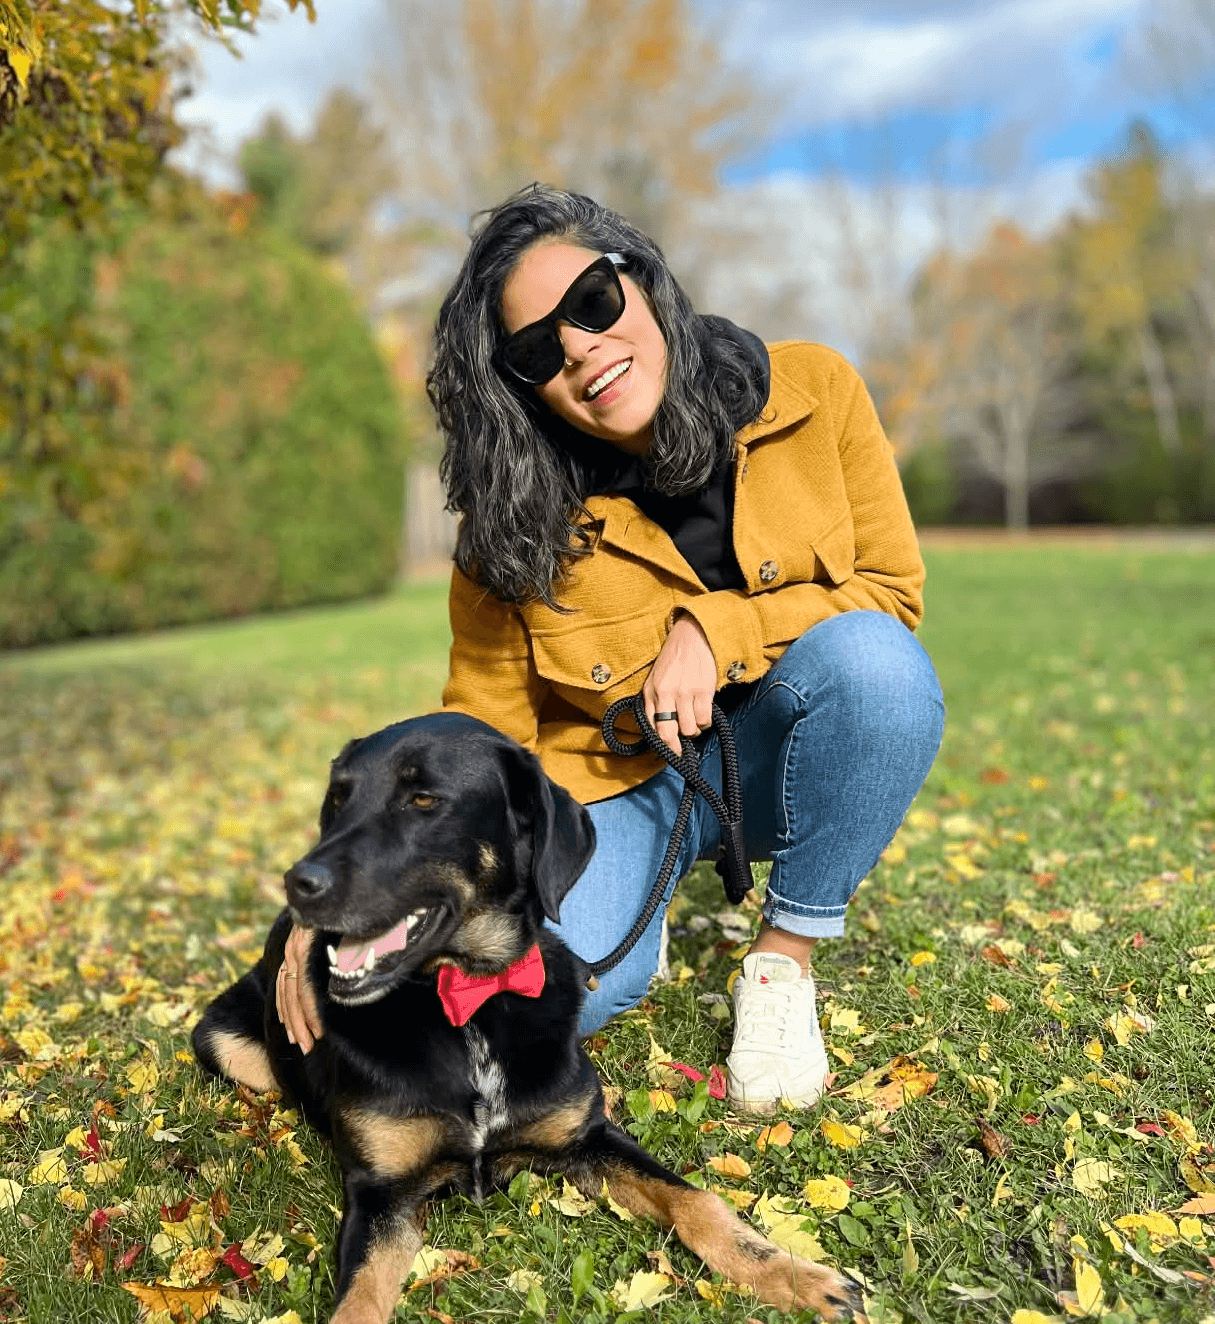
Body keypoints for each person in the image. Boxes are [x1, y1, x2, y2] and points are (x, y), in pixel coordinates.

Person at [278, 183, 945, 1112]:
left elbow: (889, 590)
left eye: (591, 302)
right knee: (549, 997)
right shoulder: (509, 520)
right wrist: (342, 899)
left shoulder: (814, 391)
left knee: (879, 668)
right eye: (535, 349)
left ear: (641, 282)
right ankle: (641, 907)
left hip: (779, 759)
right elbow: (478, 737)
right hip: (616, 790)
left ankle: (782, 961)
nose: (581, 347)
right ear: (518, 385)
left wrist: (715, 629)